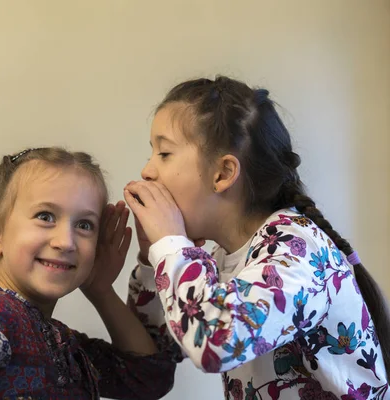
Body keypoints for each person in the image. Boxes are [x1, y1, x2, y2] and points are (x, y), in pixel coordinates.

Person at [124, 76, 389, 399]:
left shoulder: (298, 251)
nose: (147, 171)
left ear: (222, 174)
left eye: (164, 153)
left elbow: (215, 345)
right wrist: (151, 259)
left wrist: (170, 246)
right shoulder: (221, 257)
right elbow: (157, 348)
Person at [0, 147, 175, 399]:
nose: (65, 241)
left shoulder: (57, 340)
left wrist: (100, 290)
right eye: (45, 217)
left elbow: (147, 379)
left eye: (85, 225)